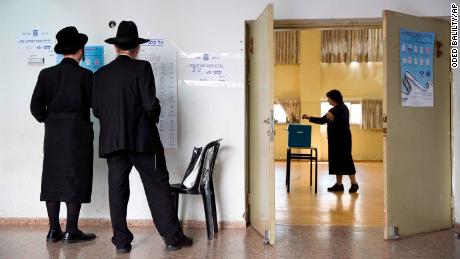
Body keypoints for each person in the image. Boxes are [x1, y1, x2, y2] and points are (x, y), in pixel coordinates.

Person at [92, 21, 192, 254]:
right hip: (143, 141)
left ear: (116, 48)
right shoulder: (142, 68)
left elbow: (97, 110)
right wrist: (154, 114)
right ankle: (172, 238)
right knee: (158, 187)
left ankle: (121, 242)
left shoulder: (100, 75)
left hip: (113, 143)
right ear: (136, 48)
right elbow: (150, 104)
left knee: (117, 191)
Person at [30, 26, 96, 243]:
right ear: (80, 50)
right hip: (78, 133)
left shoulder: (46, 74)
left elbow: (35, 107)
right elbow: (95, 106)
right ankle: (72, 230)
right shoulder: (85, 75)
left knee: (52, 179)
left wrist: (50, 119)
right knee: (75, 179)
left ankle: (52, 230)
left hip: (54, 134)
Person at [302, 89, 359, 193]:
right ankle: (339, 184)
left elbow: (344, 124)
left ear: (334, 98)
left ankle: (354, 183)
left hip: (344, 140)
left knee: (346, 160)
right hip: (334, 141)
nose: (328, 100)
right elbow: (322, 120)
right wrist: (309, 117)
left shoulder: (344, 109)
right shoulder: (332, 110)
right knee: (336, 160)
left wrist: (333, 119)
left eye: (329, 98)